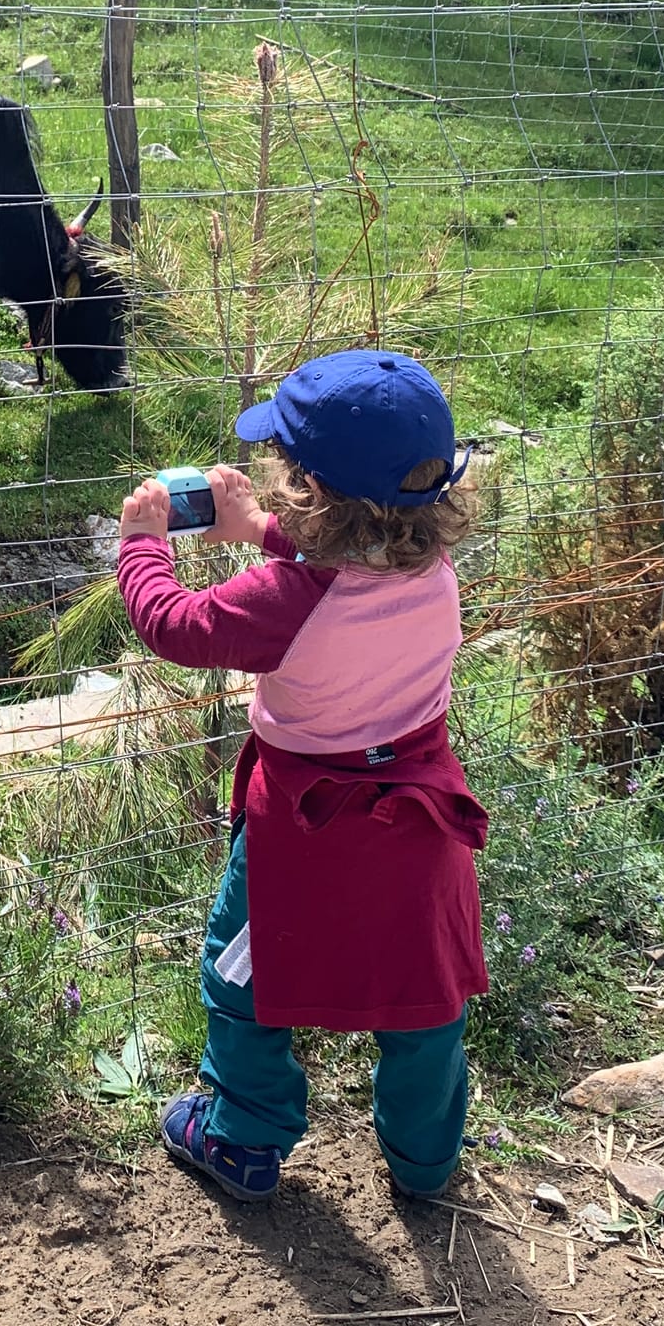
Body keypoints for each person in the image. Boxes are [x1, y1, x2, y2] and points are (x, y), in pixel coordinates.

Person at [116, 348, 487, 1203]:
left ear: (310, 492)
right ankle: (427, 1163)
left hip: (303, 828)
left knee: (239, 973)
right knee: (425, 994)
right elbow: (357, 554)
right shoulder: (431, 565)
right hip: (421, 822)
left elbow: (175, 625)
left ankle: (243, 1136)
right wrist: (257, 530)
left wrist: (141, 546)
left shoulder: (286, 600)